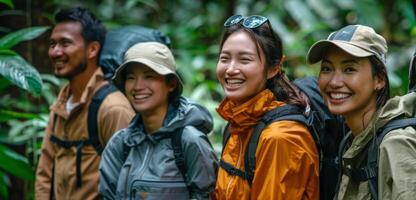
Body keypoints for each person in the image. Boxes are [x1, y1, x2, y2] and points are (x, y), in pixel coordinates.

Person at [307, 24, 416, 199]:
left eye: (349, 69)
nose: (334, 82)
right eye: (327, 69)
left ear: (379, 79)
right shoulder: (354, 140)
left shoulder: (397, 144)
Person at [213, 15, 319, 199]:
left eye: (244, 60)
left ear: (273, 68)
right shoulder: (237, 123)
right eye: (225, 58)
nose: (230, 69)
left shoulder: (281, 137)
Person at [35, 7, 135, 200]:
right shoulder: (61, 104)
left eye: (65, 43)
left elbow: (129, 182)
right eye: (52, 44)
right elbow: (45, 170)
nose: (55, 52)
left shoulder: (112, 108)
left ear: (92, 49)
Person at [99, 42, 218, 199]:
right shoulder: (121, 143)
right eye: (131, 77)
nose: (138, 86)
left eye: (149, 76)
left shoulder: (189, 140)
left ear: (171, 84)